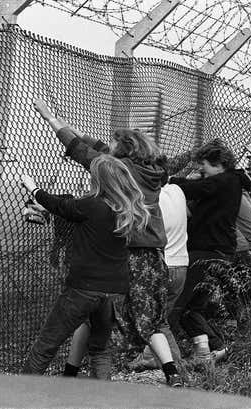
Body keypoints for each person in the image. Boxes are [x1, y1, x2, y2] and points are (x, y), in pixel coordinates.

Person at [33, 99, 182, 387]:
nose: (108, 149)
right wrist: (67, 126)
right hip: (155, 254)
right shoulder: (150, 171)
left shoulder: (118, 170)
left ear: (122, 150)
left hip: (130, 254)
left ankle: (77, 375)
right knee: (146, 317)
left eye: (113, 147)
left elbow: (81, 150)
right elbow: (91, 144)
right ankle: (171, 371)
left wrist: (50, 118)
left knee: (112, 317)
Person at [21, 155, 151, 379]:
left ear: (98, 180)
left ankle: (14, 398)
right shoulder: (124, 210)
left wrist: (32, 187)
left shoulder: (91, 205)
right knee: (100, 349)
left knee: (45, 346)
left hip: (83, 290)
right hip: (113, 291)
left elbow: (59, 205)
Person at [170, 139, 249, 361]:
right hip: (219, 251)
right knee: (192, 308)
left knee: (179, 303)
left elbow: (195, 189)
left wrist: (170, 181)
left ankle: (162, 355)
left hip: (207, 250)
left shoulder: (224, 181)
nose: (200, 170)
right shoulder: (231, 181)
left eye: (203, 165)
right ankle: (212, 349)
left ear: (217, 163)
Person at [129, 181, 189, 371]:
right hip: (181, 263)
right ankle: (151, 356)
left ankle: (178, 369)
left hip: (163, 265)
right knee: (159, 318)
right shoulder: (177, 191)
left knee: (157, 322)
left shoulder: (151, 200)